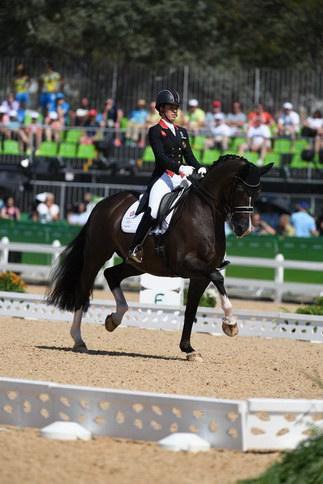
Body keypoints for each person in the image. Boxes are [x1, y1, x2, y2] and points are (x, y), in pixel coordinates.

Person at [127, 89, 206, 263]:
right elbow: (161, 158)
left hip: (182, 176)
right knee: (154, 210)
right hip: (164, 177)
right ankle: (135, 247)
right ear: (161, 109)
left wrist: (199, 167)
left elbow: (190, 156)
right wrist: (180, 168)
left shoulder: (182, 131)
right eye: (171, 108)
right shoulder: (155, 130)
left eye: (176, 108)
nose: (174, 111)